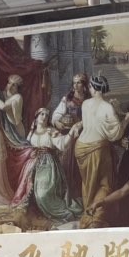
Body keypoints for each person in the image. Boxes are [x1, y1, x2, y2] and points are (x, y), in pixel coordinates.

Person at [75, 74, 129, 229]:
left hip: (81, 148)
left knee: (88, 184)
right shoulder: (107, 107)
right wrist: (126, 119)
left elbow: (94, 122)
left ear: (94, 88)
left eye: (89, 87)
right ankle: (96, 218)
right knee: (104, 184)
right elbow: (116, 134)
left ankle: (88, 212)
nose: (88, 89)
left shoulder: (85, 104)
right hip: (97, 148)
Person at [13, 107, 82, 224]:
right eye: (42, 114)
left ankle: (62, 213)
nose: (44, 117)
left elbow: (62, 145)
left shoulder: (51, 131)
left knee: (43, 195)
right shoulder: (31, 133)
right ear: (36, 117)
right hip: (33, 166)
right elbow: (27, 148)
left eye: (46, 115)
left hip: (49, 167)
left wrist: (71, 132)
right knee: (28, 195)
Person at [52, 72, 89, 203]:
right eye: (74, 82)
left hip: (85, 135)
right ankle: (70, 196)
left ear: (84, 84)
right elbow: (56, 114)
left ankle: (83, 196)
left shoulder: (89, 100)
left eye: (78, 82)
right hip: (69, 136)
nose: (75, 85)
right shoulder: (67, 99)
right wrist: (57, 122)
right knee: (67, 165)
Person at [0, 74, 26, 145]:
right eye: (9, 83)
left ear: (17, 88)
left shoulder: (18, 97)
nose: (10, 86)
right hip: (5, 128)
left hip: (16, 129)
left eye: (14, 85)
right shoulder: (2, 94)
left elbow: (3, 107)